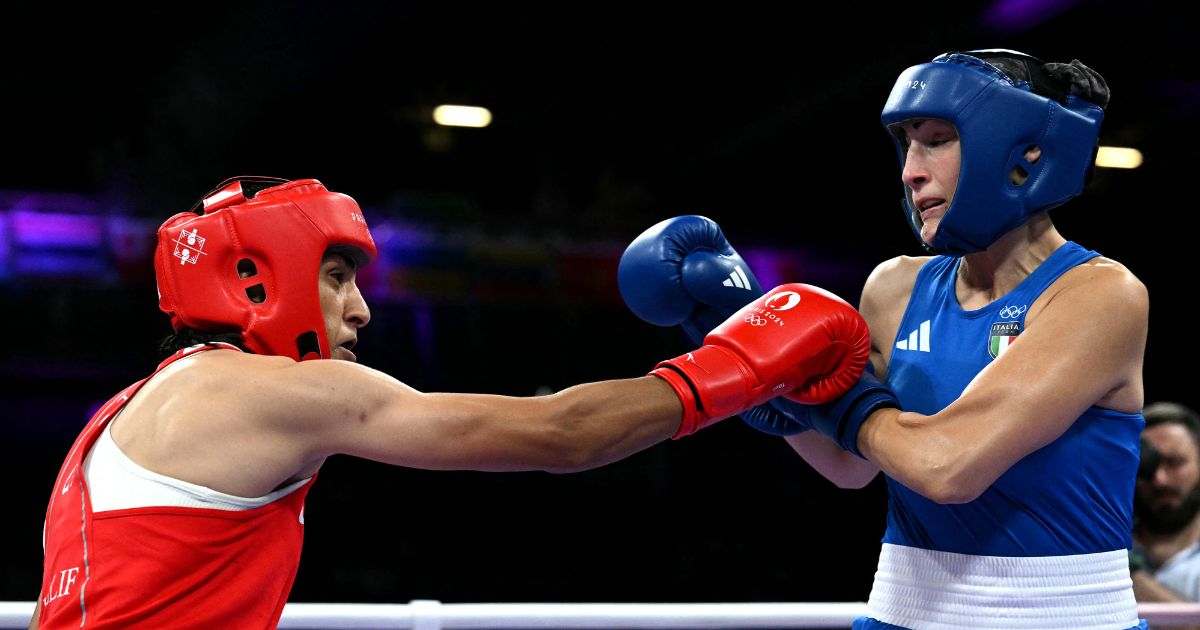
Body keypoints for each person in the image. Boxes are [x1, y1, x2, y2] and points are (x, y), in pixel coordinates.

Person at [30, 176, 871, 629]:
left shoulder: (126, 408)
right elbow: (562, 435)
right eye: (336, 277)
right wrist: (737, 364)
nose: (359, 309)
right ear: (255, 279)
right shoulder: (273, 393)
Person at [619, 49, 1149, 629]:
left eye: (938, 140)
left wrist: (826, 396)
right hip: (900, 610)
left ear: (1021, 150)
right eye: (907, 145)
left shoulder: (1100, 295)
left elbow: (948, 467)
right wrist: (756, 362)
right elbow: (852, 466)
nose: (911, 171)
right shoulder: (896, 286)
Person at [1131, 401, 1200, 606]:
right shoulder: (1107, 541)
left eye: (1174, 462)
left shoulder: (1110, 559)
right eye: (1147, 465)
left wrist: (1125, 574)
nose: (1159, 479)